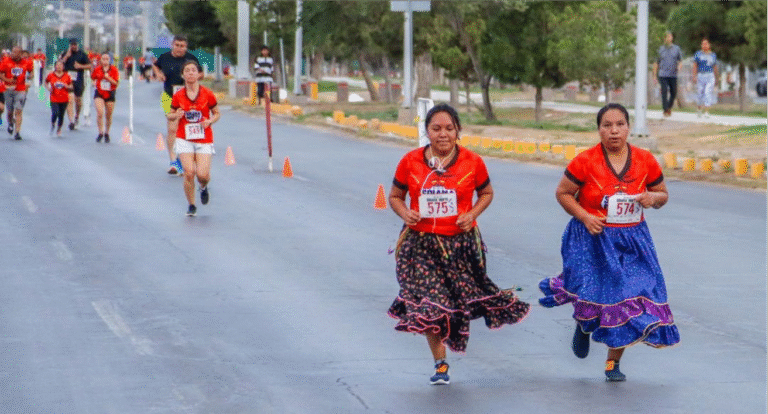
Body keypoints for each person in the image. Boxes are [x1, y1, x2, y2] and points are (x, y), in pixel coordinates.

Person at [387, 103, 531, 385]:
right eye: (436, 128)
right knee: (431, 306)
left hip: (461, 247)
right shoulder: (410, 161)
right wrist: (407, 213)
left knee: (455, 303)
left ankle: (449, 339)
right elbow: (395, 196)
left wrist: (472, 214)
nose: (443, 134)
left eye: (449, 128)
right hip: (421, 246)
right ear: (427, 131)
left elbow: (487, 192)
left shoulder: (473, 162)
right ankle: (440, 363)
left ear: (458, 132)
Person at [538, 103, 680, 382]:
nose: (614, 131)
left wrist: (653, 199)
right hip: (593, 237)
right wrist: (585, 216)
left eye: (620, 125)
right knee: (594, 292)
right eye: (607, 125)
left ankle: (612, 364)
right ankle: (584, 322)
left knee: (626, 298)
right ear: (599, 129)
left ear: (628, 127)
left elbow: (662, 193)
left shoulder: (645, 160)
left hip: (632, 240)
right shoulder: (585, 161)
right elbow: (564, 193)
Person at [167, 60, 220, 217]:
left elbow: (217, 113)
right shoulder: (178, 95)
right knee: (189, 173)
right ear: (183, 75)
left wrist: (209, 121)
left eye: (193, 70)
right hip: (184, 137)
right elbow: (169, 114)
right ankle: (191, 204)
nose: (190, 73)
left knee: (202, 175)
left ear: (199, 74)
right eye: (187, 70)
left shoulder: (207, 94)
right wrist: (175, 115)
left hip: (204, 138)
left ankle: (203, 187)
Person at [153, 35, 200, 175]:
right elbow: (155, 65)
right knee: (172, 128)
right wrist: (158, 74)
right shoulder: (165, 57)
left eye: (183, 46)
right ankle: (174, 161)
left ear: (186, 47)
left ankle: (185, 159)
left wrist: (192, 77)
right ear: (173, 45)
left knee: (187, 128)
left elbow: (201, 73)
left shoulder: (191, 59)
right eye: (177, 45)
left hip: (188, 97)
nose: (180, 48)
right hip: (169, 96)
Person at [0, 46, 33, 140]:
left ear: (20, 53)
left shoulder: (26, 62)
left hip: (20, 89)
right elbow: (1, 74)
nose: (14, 54)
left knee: (18, 110)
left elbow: (31, 71)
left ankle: (17, 132)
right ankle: (10, 123)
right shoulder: (6, 61)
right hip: (8, 89)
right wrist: (8, 80)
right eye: (13, 52)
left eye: (16, 52)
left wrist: (30, 76)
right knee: (10, 111)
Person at [60, 39, 92, 130]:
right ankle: (71, 121)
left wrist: (80, 66)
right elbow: (59, 64)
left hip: (78, 79)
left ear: (77, 45)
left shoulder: (82, 54)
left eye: (75, 45)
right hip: (68, 79)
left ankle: (77, 116)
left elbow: (89, 65)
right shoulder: (65, 53)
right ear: (70, 45)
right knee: (70, 99)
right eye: (72, 45)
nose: (73, 46)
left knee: (78, 100)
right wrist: (66, 56)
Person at [91, 52, 120, 143]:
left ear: (109, 60)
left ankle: (107, 133)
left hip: (110, 93)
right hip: (99, 92)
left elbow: (116, 83)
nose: (105, 61)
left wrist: (108, 79)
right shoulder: (97, 69)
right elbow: (93, 78)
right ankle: (100, 132)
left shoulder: (114, 70)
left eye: (107, 59)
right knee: (100, 113)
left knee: (108, 115)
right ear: (101, 60)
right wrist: (93, 82)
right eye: (103, 59)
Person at [652, 31, 682, 117]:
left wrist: (679, 66)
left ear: (672, 37)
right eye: (666, 37)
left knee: (673, 92)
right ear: (664, 38)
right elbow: (656, 63)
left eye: (669, 36)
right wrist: (654, 75)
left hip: (673, 74)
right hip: (663, 74)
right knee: (664, 92)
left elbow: (680, 61)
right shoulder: (660, 49)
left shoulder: (677, 49)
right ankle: (665, 110)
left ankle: (668, 107)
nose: (668, 38)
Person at [45, 60, 74, 137]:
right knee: (55, 113)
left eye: (61, 65)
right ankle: (53, 124)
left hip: (64, 98)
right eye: (57, 65)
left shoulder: (67, 76)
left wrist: (66, 86)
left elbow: (71, 86)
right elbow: (46, 82)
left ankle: (59, 128)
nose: (59, 67)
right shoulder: (51, 75)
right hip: (54, 98)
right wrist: (48, 88)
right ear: (55, 66)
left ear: (63, 67)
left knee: (61, 115)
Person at [692, 38, 718, 118]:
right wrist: (694, 76)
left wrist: (717, 77)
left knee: (707, 92)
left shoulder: (713, 55)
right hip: (701, 75)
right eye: (703, 44)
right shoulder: (698, 54)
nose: (705, 45)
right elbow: (695, 65)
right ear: (701, 45)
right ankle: (699, 109)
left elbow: (715, 66)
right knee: (700, 93)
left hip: (710, 75)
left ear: (709, 45)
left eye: (706, 44)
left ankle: (707, 111)